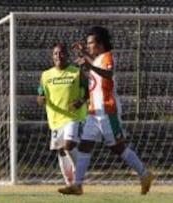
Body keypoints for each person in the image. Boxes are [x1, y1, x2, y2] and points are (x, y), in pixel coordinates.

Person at [58, 26, 156, 195]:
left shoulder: (108, 57)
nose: (88, 46)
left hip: (107, 111)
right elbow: (95, 66)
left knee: (117, 147)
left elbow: (108, 74)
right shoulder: (97, 59)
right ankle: (77, 185)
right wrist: (85, 56)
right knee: (84, 146)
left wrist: (88, 64)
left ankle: (145, 174)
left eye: (90, 43)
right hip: (93, 111)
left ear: (100, 44)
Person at [37, 43, 88, 187]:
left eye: (62, 53)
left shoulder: (77, 72)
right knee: (61, 151)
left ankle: (79, 178)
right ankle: (69, 184)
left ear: (67, 55)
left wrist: (81, 101)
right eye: (55, 53)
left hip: (74, 116)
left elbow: (88, 91)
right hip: (55, 119)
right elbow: (40, 94)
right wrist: (40, 99)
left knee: (69, 145)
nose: (59, 56)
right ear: (52, 56)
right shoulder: (46, 75)